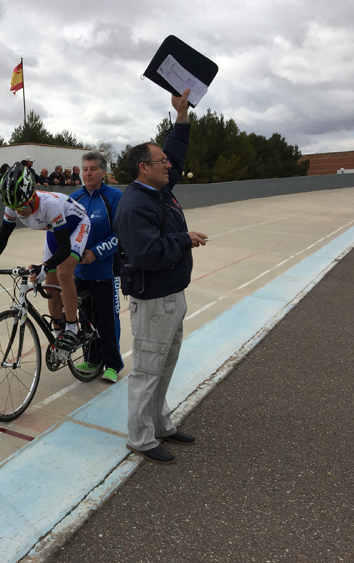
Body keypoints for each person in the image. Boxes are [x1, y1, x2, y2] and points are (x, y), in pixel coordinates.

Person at [114, 88, 208, 465]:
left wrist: (181, 116)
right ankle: (140, 437)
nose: (169, 166)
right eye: (162, 162)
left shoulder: (159, 189)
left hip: (173, 294)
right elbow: (146, 253)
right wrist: (184, 239)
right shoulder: (136, 203)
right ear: (144, 168)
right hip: (154, 301)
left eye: (167, 162)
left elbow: (177, 152)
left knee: (164, 367)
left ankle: (159, 424)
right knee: (147, 371)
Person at [0, 161, 91, 354]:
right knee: (49, 284)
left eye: (22, 206)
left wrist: (44, 266)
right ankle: (58, 332)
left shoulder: (49, 205)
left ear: (33, 195)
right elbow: (2, 239)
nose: (19, 212)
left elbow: (65, 247)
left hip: (76, 225)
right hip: (54, 229)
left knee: (63, 272)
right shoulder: (13, 205)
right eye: (14, 208)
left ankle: (71, 328)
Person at [69, 150, 124, 383]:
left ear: (103, 172)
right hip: (80, 272)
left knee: (107, 318)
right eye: (84, 169)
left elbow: (120, 235)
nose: (88, 173)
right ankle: (91, 359)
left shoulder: (114, 197)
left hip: (106, 271)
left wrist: (96, 253)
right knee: (86, 319)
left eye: (93, 169)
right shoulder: (74, 198)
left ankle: (112, 364)